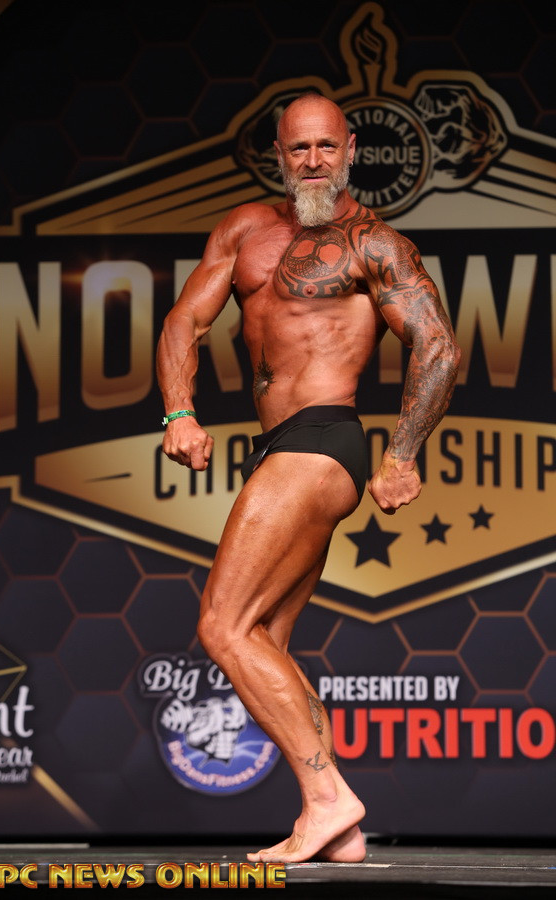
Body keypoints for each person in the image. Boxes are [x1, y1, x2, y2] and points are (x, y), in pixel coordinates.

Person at [156, 92, 460, 863]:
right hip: (280, 446)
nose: (315, 161)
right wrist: (179, 411)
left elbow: (437, 345)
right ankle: (338, 831)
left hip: (323, 441)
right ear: (280, 155)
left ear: (351, 149)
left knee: (222, 625)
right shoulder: (243, 230)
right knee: (265, 641)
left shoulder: (374, 243)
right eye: (300, 149)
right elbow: (185, 320)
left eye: (327, 147)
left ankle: (328, 797)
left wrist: (402, 454)